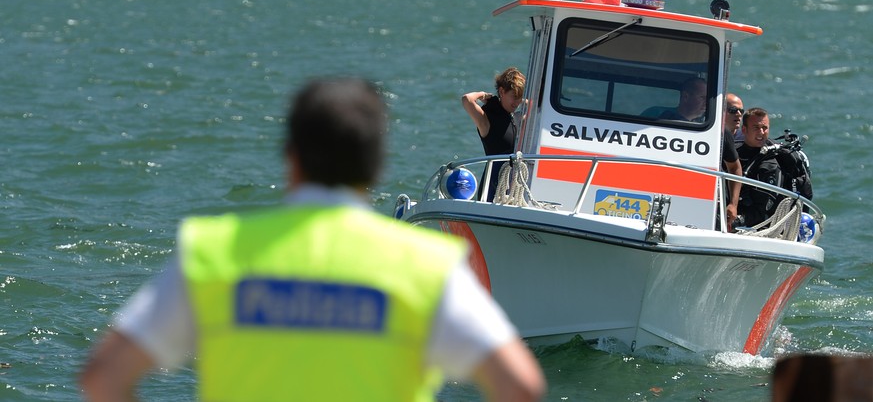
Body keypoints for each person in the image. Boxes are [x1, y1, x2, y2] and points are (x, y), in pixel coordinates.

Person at [80, 78, 546, 402]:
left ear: (290, 157)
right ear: (375, 168)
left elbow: (102, 377)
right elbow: (520, 385)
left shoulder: (212, 252)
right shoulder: (429, 264)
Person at [734, 107, 813, 228]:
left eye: (764, 128)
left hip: (760, 225)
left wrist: (737, 220)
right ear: (744, 130)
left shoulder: (770, 163)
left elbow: (763, 212)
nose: (761, 132)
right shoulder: (734, 152)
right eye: (756, 128)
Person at [461, 67, 526, 201]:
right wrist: (483, 95)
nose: (517, 103)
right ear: (502, 91)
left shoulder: (513, 117)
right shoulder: (487, 119)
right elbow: (467, 99)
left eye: (520, 98)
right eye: (514, 97)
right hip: (493, 186)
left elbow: (534, 104)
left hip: (514, 185)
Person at [721, 93, 745, 228]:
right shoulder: (715, 133)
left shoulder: (747, 140)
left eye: (741, 111)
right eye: (733, 110)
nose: (738, 114)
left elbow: (735, 168)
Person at [642, 77, 708, 122]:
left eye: (707, 99)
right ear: (685, 97)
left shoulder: (702, 125)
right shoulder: (656, 113)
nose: (706, 103)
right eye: (702, 97)